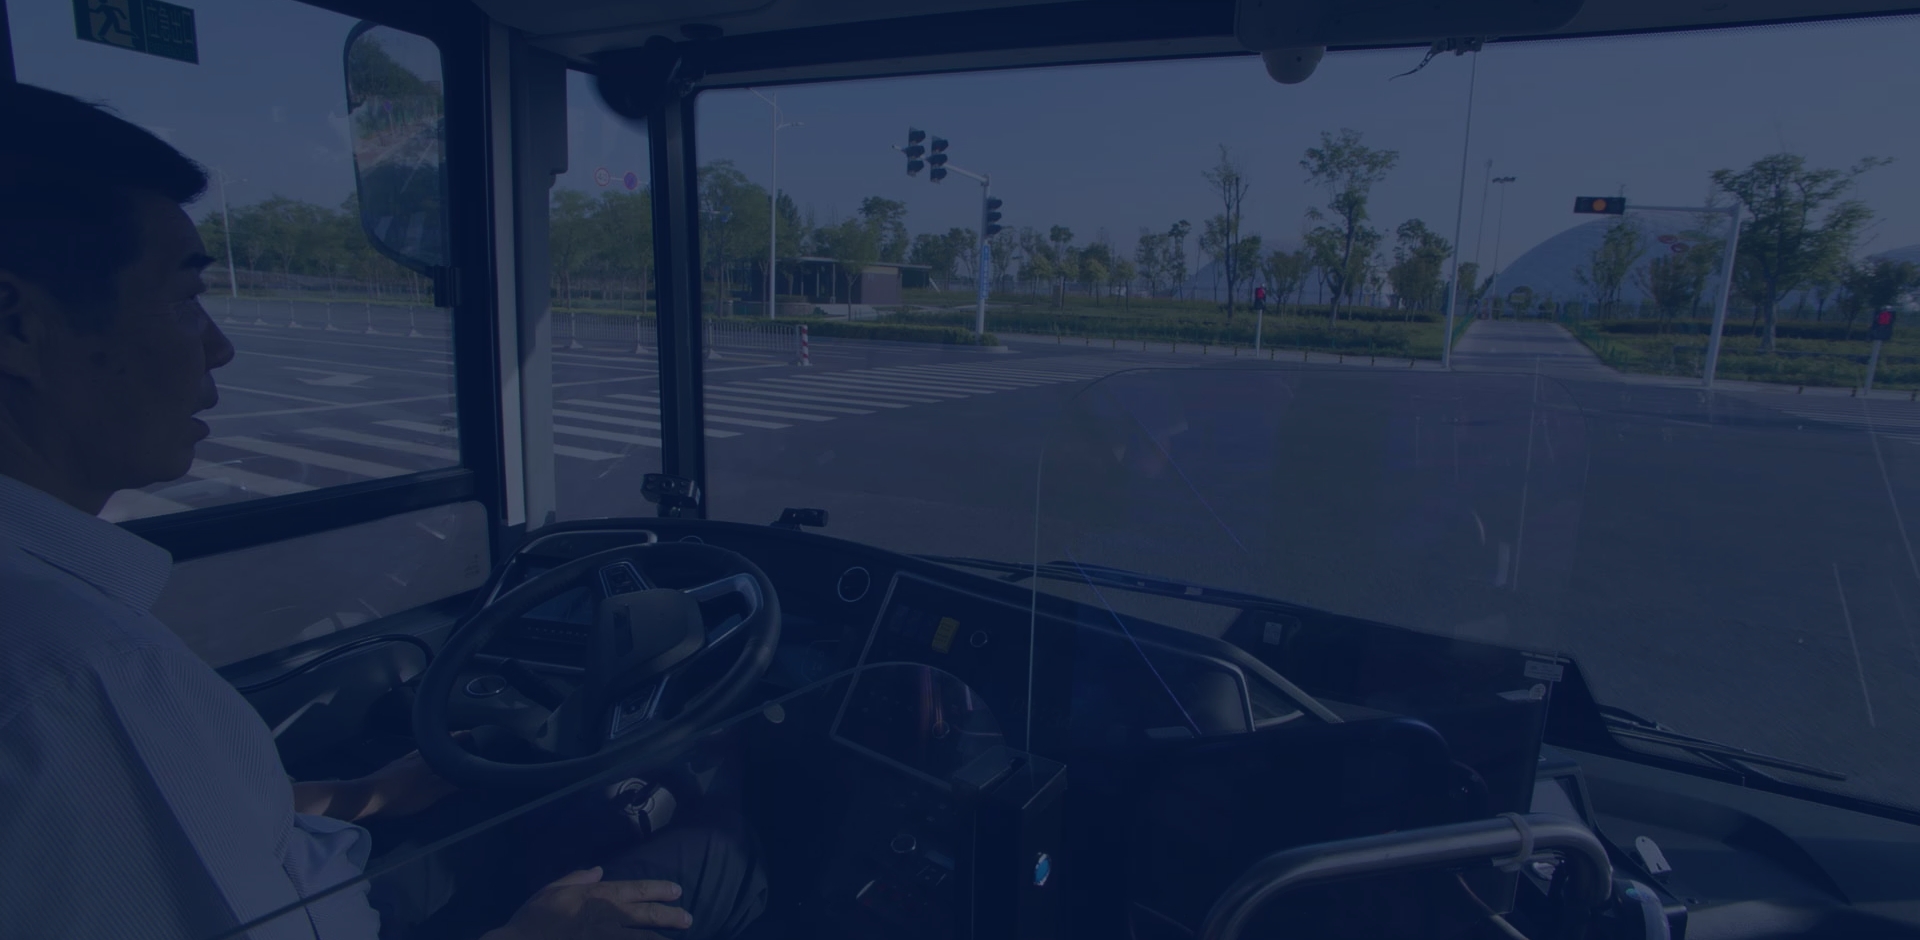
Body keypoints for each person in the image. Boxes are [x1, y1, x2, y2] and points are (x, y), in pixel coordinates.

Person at [0, 82, 754, 939]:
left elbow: (203, 819)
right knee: (713, 851)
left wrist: (366, 795)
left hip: (326, 862)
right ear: (16, 326)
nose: (218, 344)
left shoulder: (64, 642)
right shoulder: (77, 681)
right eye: (182, 297)